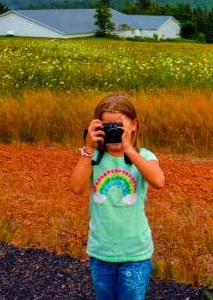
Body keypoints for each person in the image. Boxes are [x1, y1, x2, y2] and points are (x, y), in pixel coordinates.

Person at [70, 94, 165, 300]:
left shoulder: (144, 157)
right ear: (97, 129)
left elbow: (158, 181)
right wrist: (88, 149)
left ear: (134, 126)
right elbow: (76, 187)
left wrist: (129, 150)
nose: (113, 133)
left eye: (119, 127)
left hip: (136, 254)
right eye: (107, 128)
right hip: (101, 252)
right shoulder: (93, 158)